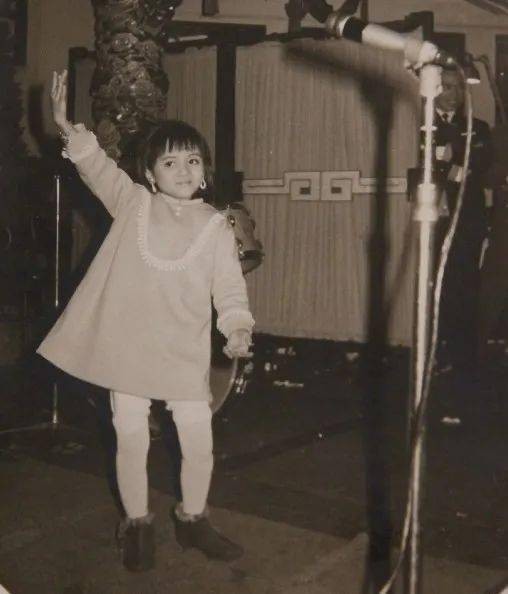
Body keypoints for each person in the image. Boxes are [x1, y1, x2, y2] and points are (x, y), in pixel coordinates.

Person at [38, 70, 254, 572]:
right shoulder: (133, 203)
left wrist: (237, 326)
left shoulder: (216, 225)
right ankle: (137, 524)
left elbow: (229, 287)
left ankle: (193, 519)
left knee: (198, 440)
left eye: (193, 160)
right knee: (130, 436)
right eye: (170, 162)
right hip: (129, 348)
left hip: (183, 351)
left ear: (204, 173)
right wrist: (66, 126)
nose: (183, 170)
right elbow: (97, 168)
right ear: (151, 175)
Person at [433, 67, 492, 376]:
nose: (453, 94)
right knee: (435, 286)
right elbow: (418, 170)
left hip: (467, 220)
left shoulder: (476, 128)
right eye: (446, 87)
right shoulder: (418, 123)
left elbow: (477, 168)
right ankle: (435, 352)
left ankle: (463, 358)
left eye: (458, 87)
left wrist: (445, 164)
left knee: (465, 285)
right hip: (431, 220)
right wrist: (452, 167)